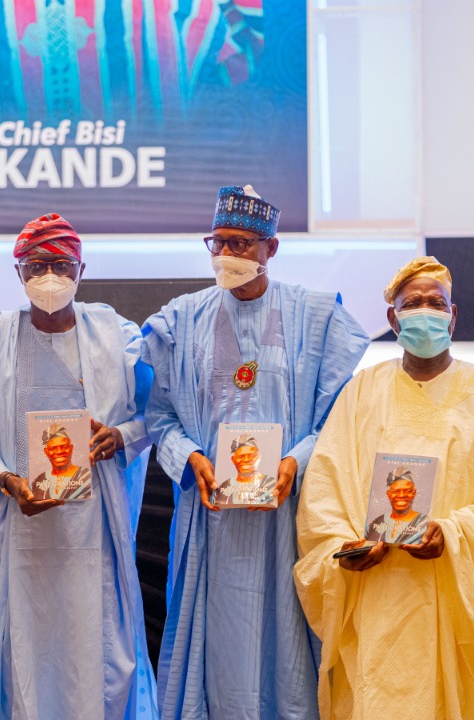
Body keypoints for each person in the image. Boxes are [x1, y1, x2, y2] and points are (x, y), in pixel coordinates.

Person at [142, 185, 370, 718]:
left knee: (287, 647)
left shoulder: (316, 317)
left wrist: (297, 459)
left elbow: (339, 419)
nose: (228, 256)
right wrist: (191, 458)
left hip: (287, 516)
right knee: (212, 649)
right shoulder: (181, 319)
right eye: (218, 243)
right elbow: (160, 418)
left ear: (271, 247)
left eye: (242, 244)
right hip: (211, 521)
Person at [294, 256, 474, 719]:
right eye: (413, 304)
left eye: (435, 303)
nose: (425, 311)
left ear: (453, 314)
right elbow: (326, 484)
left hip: (455, 596)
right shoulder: (363, 391)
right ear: (392, 317)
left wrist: (454, 533)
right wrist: (344, 548)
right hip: (378, 594)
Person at [0, 213, 157, 719]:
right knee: (18, 659)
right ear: (18, 272)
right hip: (17, 532)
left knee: (98, 657)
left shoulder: (120, 338)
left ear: (81, 269)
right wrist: (7, 479)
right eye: (37, 265)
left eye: (61, 265)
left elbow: (156, 416)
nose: (50, 276)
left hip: (93, 536)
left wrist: (120, 435)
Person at [364, 468, 430, 544]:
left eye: (407, 491)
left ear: (414, 493)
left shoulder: (423, 522)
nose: (401, 495)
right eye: (396, 491)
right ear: (389, 494)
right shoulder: (376, 522)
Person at [31, 424, 93, 500]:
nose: (59, 452)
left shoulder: (84, 476)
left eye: (64, 447)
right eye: (53, 448)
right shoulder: (39, 480)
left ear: (71, 448)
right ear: (46, 452)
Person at [210, 434, 276, 506]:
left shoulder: (271, 484)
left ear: (259, 457)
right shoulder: (223, 487)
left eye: (251, 455)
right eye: (241, 456)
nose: (246, 459)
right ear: (233, 460)